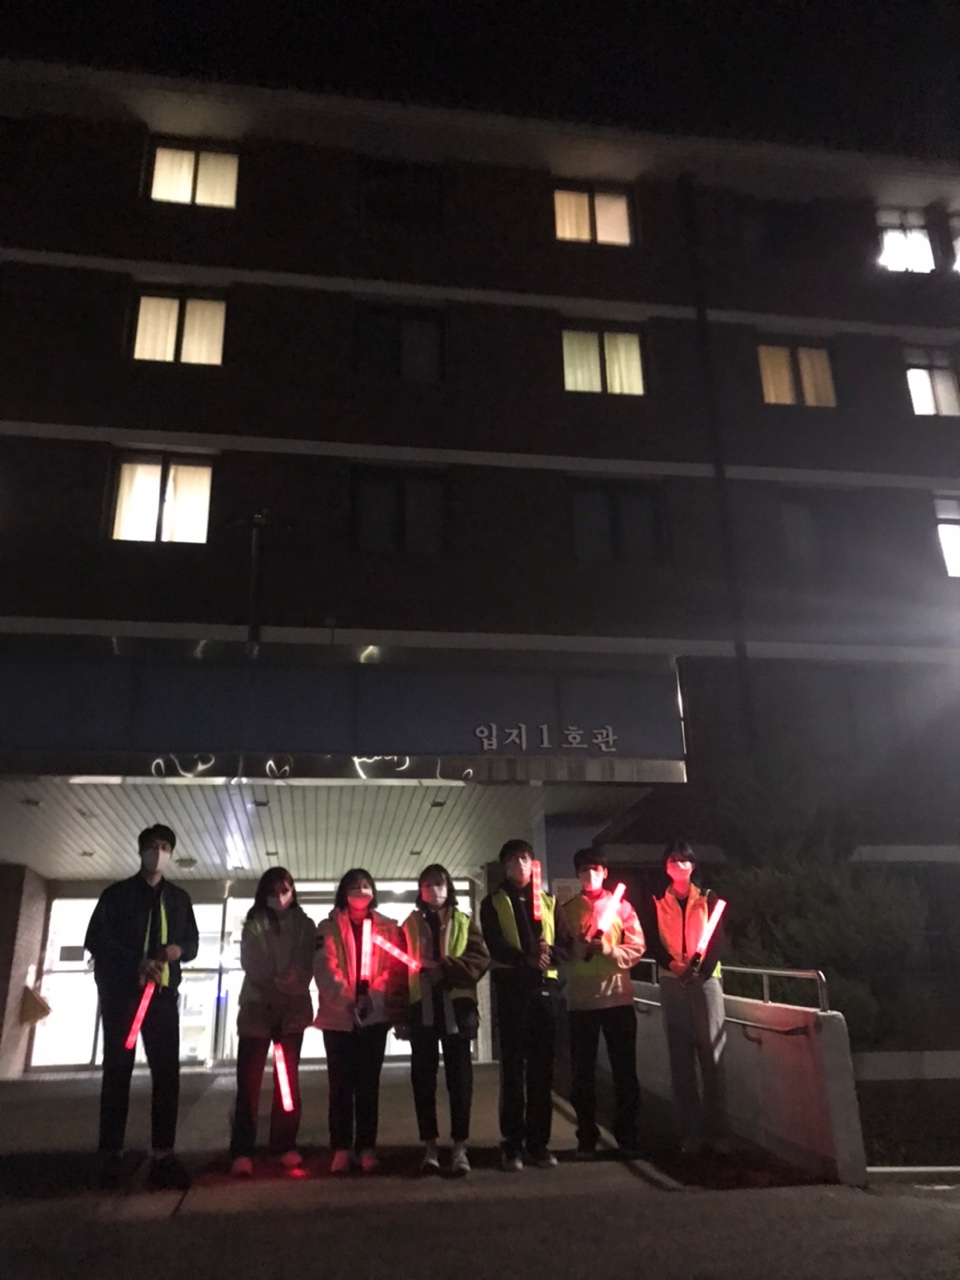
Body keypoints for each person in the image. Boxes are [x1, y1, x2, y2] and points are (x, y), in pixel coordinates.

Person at [84, 823, 199, 1190]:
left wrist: (179, 950)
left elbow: (192, 943)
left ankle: (164, 1153)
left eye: (165, 846)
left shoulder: (178, 898)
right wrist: (135, 962)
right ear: (141, 850)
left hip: (162, 998)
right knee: (118, 1071)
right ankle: (111, 1154)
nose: (159, 852)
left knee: (167, 1074)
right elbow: (95, 939)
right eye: (153, 845)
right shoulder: (117, 895)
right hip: (124, 997)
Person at [480, 838, 573, 1172]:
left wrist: (550, 956)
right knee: (513, 1071)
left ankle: (539, 1143)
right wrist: (525, 959)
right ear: (504, 864)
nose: (519, 863)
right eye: (513, 858)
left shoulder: (548, 901)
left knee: (542, 1071)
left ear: (533, 863)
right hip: (512, 992)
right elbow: (495, 945)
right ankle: (512, 1144)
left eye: (525, 858)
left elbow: (567, 944)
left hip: (545, 992)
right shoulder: (493, 902)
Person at [314, 868, 408, 1173]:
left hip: (374, 1019)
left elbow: (392, 968)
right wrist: (348, 1000)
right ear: (343, 891)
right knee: (340, 1086)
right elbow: (324, 969)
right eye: (354, 885)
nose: (360, 890)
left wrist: (372, 998)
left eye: (366, 885)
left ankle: (367, 1147)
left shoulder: (387, 928)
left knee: (368, 1085)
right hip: (338, 1019)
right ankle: (341, 1148)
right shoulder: (328, 927)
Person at [400, 864, 490, 1177]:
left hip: (457, 1009)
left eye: (438, 883)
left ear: (448, 887)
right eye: (427, 883)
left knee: (460, 1081)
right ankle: (430, 1147)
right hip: (421, 1009)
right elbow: (397, 971)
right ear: (420, 889)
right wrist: (400, 1014)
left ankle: (460, 1147)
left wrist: (447, 969)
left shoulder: (464, 921)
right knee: (423, 1080)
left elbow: (480, 959)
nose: (433, 888)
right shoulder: (409, 925)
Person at [229, 867, 316, 1176]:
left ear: (293, 891)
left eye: (285, 889)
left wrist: (290, 985)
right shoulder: (254, 923)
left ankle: (284, 1144)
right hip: (257, 1009)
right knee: (249, 1082)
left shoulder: (306, 925)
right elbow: (251, 961)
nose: (280, 896)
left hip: (292, 1013)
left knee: (287, 1080)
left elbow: (307, 962)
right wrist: (273, 988)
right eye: (274, 891)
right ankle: (242, 1149)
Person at [561, 849, 646, 1159]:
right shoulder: (566, 910)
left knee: (625, 1073)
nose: (590, 874)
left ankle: (628, 1136)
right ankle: (586, 1136)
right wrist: (577, 948)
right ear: (577, 874)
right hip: (581, 1002)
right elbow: (560, 951)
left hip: (617, 998)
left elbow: (637, 948)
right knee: (582, 1075)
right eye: (584, 869)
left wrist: (608, 949)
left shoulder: (622, 906)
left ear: (605, 872)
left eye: (595, 868)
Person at [646, 841, 729, 1155]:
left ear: (693, 865)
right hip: (672, 982)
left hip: (705, 983)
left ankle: (718, 1132)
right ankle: (690, 1132)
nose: (678, 865)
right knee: (680, 1059)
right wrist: (672, 965)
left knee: (713, 1057)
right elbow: (653, 940)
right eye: (673, 860)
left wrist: (701, 972)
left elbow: (717, 938)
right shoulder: (657, 900)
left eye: (684, 860)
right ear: (665, 866)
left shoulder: (708, 898)